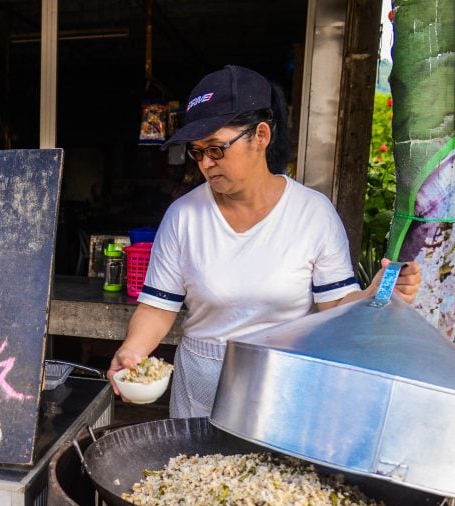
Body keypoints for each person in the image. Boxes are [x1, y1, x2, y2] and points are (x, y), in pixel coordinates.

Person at [108, 65, 422, 418]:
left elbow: (334, 307)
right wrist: (133, 351)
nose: (206, 164)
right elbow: (157, 307)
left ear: (260, 136)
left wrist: (373, 296)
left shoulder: (312, 213)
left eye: (216, 149)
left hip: (283, 385)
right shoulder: (183, 216)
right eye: (197, 152)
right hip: (202, 383)